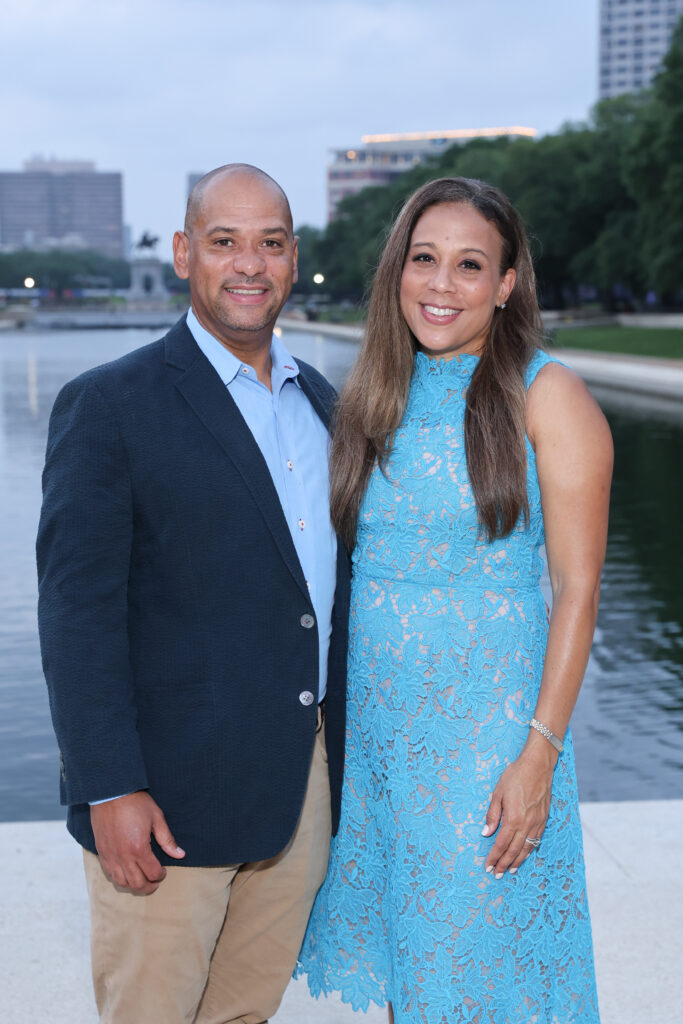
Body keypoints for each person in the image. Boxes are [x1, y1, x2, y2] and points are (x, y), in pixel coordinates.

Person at [36, 163, 349, 1024]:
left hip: (299, 787)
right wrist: (107, 785)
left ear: (292, 260)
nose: (248, 263)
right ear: (183, 253)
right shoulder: (108, 404)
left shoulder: (325, 405)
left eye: (270, 243)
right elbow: (76, 614)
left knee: (244, 1015)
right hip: (166, 796)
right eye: (224, 241)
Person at [296, 177, 612, 1023]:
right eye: (423, 259)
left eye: (469, 265)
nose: (440, 285)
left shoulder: (549, 397)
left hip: (490, 748)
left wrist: (537, 758)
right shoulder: (371, 398)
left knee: (480, 975)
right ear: (396, 268)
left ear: (506, 283)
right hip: (385, 749)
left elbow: (578, 590)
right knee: (416, 976)